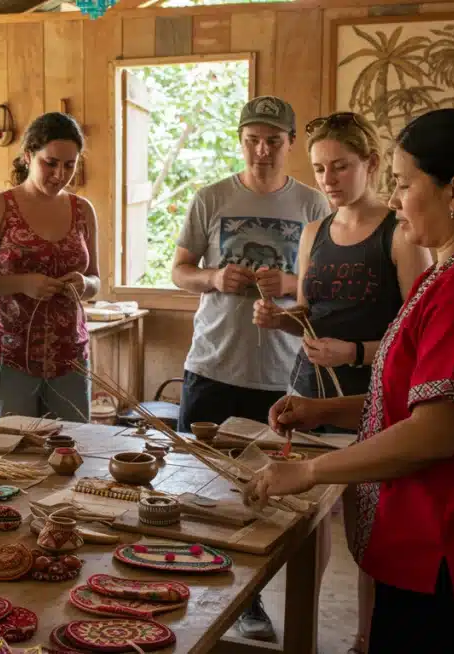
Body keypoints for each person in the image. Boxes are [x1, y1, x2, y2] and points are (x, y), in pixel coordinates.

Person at [249, 108, 454, 654]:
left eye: (405, 185)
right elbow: (420, 401)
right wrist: (323, 412)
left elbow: (435, 433)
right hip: (446, 546)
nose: (393, 200)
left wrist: (311, 471)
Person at [252, 111, 432, 653]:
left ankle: (364, 637)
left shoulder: (400, 235)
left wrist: (356, 350)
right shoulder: (314, 232)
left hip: (374, 398)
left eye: (340, 167)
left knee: (370, 525)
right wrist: (281, 316)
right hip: (310, 389)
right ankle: (305, 621)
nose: (328, 180)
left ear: (372, 165)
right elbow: (311, 307)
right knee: (311, 512)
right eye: (320, 169)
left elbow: (421, 335)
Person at [171, 95, 332, 640]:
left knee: (269, 492)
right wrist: (214, 279)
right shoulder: (210, 197)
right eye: (252, 140)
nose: (262, 150)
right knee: (198, 485)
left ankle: (251, 599)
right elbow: (179, 271)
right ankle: (193, 589)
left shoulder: (314, 205)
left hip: (286, 373)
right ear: (240, 141)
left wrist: (289, 286)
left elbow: (327, 288)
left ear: (291, 144)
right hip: (212, 363)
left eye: (273, 140)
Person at [0, 112, 100, 423]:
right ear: (27, 156)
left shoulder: (83, 210)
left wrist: (84, 285)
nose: (60, 174)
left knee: (69, 454)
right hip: (9, 358)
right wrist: (21, 283)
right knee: (7, 459)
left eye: (69, 165)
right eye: (50, 163)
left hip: (68, 359)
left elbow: (95, 281)